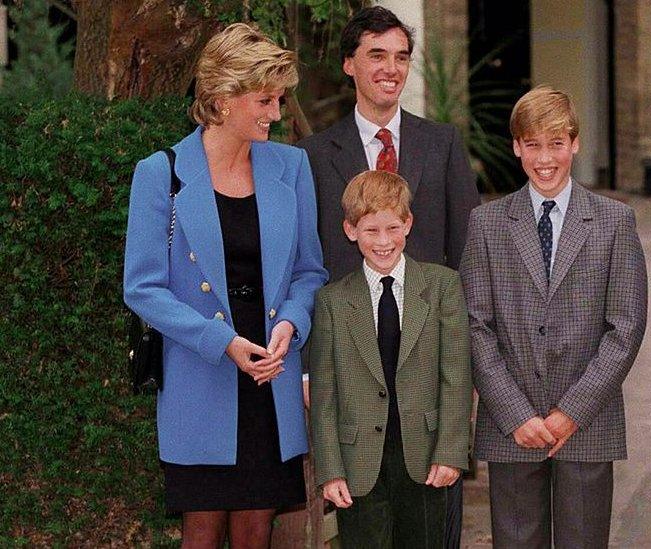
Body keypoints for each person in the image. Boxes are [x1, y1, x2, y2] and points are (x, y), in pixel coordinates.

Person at [123, 23, 327, 547]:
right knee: (202, 531)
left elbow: (309, 271)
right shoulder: (159, 172)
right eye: (265, 99)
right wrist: (225, 343)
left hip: (270, 377)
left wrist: (291, 323)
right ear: (221, 97)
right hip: (202, 374)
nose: (277, 113)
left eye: (280, 99)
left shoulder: (292, 165)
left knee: (257, 531)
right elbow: (143, 287)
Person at [296, 7, 480, 544]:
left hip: (427, 366)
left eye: (401, 56)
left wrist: (462, 375)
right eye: (376, 54)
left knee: (431, 527)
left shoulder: (441, 144)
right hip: (350, 362)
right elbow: (306, 265)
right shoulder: (311, 156)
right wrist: (310, 367)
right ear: (349, 64)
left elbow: (466, 257)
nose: (390, 68)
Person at [459, 86, 647, 548]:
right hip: (512, 426)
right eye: (534, 145)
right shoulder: (487, 224)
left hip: (586, 423)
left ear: (575, 143)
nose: (546, 159)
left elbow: (625, 327)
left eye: (556, 144)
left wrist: (571, 412)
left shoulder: (613, 221)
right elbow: (473, 325)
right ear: (517, 147)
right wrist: (516, 414)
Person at [307, 170, 472, 548]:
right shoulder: (332, 301)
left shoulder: (443, 287)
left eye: (393, 228)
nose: (384, 242)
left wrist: (450, 452)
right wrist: (330, 470)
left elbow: (456, 377)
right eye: (371, 231)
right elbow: (325, 393)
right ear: (350, 230)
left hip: (426, 459)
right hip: (358, 463)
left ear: (408, 224)